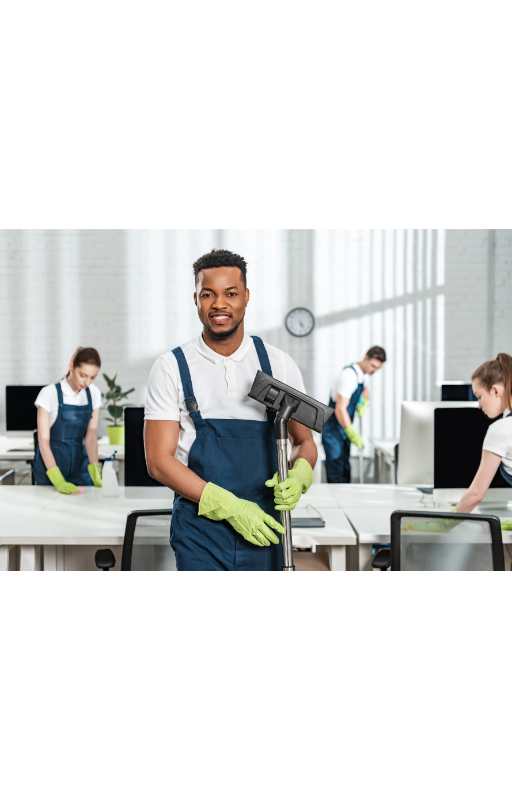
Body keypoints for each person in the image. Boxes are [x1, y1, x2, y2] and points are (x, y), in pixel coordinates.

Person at [144, 248, 317, 571]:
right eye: (207, 294)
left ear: (247, 296)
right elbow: (158, 462)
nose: (219, 304)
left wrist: (301, 473)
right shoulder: (171, 367)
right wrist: (229, 506)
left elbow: (305, 442)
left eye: (231, 293)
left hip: (267, 525)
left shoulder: (277, 364)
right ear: (195, 298)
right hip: (200, 533)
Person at [33, 347, 103, 493]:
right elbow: (43, 442)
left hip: (80, 469)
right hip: (50, 471)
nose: (87, 382)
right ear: (72, 365)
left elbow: (91, 436)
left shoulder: (94, 394)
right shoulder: (49, 394)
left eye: (92, 377)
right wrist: (57, 479)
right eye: (83, 375)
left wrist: (95, 468)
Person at [321, 346, 386, 483]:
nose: (373, 371)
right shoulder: (349, 376)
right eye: (373, 366)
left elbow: (365, 390)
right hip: (333, 430)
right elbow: (340, 408)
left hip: (343, 428)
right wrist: (351, 432)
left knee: (345, 468)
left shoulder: (363, 375)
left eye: (377, 368)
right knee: (336, 471)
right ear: (365, 358)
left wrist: (363, 402)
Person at [457, 353, 512, 512]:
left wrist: (446, 525)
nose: (479, 405)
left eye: (479, 396)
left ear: (495, 390)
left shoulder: (501, 429)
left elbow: (475, 494)